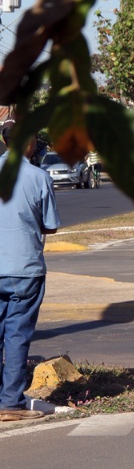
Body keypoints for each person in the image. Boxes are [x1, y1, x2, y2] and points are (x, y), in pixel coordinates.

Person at [0, 124, 60, 421]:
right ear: (29, 144)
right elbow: (50, 224)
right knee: (17, 336)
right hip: (25, 268)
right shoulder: (39, 177)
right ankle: (10, 403)